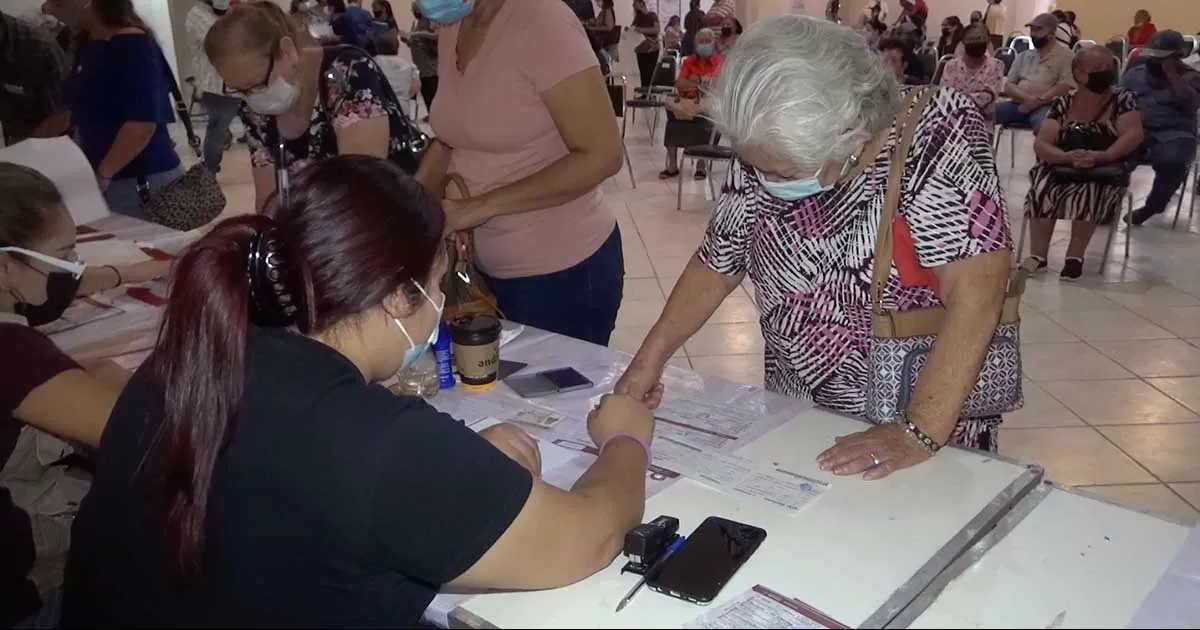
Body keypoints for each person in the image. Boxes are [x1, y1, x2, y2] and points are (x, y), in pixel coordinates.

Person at [59, 155, 656, 627]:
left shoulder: (185, 363)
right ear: (399, 296)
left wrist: (464, 481)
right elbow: (593, 535)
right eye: (437, 282)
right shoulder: (378, 445)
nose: (441, 300)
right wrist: (625, 434)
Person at [617, 15, 1014, 478]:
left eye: (784, 174)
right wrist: (649, 360)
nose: (768, 182)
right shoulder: (768, 132)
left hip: (919, 422)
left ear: (851, 131)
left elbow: (978, 294)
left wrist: (918, 430)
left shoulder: (937, 131)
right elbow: (718, 261)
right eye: (757, 167)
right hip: (798, 404)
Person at [0, 163, 166, 627]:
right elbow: (144, 432)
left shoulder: (13, 306)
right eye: (63, 254)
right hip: (24, 590)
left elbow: (62, 285)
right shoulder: (13, 353)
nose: (73, 267)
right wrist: (119, 384)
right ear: (5, 265)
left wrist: (142, 269)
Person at [418, 0, 625, 347]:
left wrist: (477, 208)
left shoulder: (543, 21)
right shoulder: (453, 26)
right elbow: (451, 138)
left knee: (550, 400)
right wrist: (410, 207)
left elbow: (603, 155)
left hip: (561, 274)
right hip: (483, 273)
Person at [205, 2, 419, 211]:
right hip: (319, 229)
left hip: (383, 220)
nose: (252, 97)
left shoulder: (347, 72)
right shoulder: (254, 110)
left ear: (287, 51)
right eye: (239, 90)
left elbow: (360, 188)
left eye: (256, 84)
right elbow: (267, 199)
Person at [50, 0, 183, 220]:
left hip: (142, 181)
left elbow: (141, 124)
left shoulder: (134, 45)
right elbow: (73, 111)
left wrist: (104, 174)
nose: (49, 9)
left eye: (58, 2)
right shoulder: (87, 46)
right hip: (105, 180)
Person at [1024, 46, 1143, 280]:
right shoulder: (1063, 103)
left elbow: (1133, 135)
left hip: (1103, 168)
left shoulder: (1123, 100)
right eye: (1097, 69)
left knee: (1088, 191)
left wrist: (1103, 156)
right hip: (1064, 162)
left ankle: (1074, 257)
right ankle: (1038, 256)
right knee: (1042, 185)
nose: (1105, 73)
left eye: (1108, 68)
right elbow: (1043, 142)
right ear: (1079, 73)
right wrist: (1067, 158)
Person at [1122, 31, 1200, 226]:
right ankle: (1106, 203)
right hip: (1135, 129)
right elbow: (1117, 99)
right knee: (1108, 154)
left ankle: (1152, 207)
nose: (1153, 61)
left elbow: (1190, 104)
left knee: (1173, 161)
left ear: (1177, 57)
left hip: (1173, 133)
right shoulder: (1135, 74)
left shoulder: (1192, 78)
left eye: (1161, 58)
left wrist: (1171, 73)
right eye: (1151, 55)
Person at [995, 13, 1075, 131]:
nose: (1033, 34)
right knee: (984, 115)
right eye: (1031, 30)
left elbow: (1064, 86)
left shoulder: (1067, 56)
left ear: (1051, 34)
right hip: (1019, 104)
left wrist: (1037, 102)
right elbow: (1009, 85)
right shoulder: (1024, 56)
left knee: (1045, 127)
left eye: (1038, 30)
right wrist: (1028, 99)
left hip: (1047, 107)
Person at [186, 0, 240, 175]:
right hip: (215, 84)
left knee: (220, 127)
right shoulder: (197, 14)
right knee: (217, 129)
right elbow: (220, 40)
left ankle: (211, 166)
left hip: (235, 81)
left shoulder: (225, 12)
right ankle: (209, 171)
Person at [0, 11, 70, 146]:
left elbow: (62, 116)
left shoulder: (41, 50)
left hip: (49, 137)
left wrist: (24, 150)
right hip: (13, 129)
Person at [660, 28, 721, 180]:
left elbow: (718, 83)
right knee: (672, 120)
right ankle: (672, 165)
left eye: (708, 41)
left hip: (708, 105)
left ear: (714, 42)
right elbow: (679, 84)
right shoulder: (689, 62)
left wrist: (696, 80)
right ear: (695, 44)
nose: (705, 45)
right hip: (688, 102)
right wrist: (701, 82)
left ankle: (701, 165)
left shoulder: (720, 61)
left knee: (704, 119)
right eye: (701, 41)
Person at [940, 25, 1005, 119]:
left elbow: (987, 96)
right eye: (972, 39)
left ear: (987, 42)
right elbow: (946, 94)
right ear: (963, 42)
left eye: (980, 39)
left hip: (982, 122)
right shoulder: (951, 66)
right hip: (952, 120)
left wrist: (959, 100)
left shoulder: (996, 66)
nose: (976, 42)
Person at [374, 32, 421, 121]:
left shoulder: (372, 62)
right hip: (403, 111)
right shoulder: (410, 66)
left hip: (379, 113)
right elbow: (414, 91)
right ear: (397, 47)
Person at [404, 4, 439, 116]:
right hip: (420, 65)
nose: (415, 12)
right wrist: (407, 40)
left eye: (417, 9)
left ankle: (436, 116)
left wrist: (418, 34)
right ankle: (431, 114)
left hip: (430, 65)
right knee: (426, 93)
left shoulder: (431, 21)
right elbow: (413, 41)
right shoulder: (415, 23)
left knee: (433, 91)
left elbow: (436, 35)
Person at [632, 0, 660, 91]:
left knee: (650, 73)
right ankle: (644, 93)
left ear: (641, 4)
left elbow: (656, 30)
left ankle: (651, 93)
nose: (634, 6)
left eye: (635, 4)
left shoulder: (652, 15)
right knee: (643, 73)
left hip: (652, 48)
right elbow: (634, 29)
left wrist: (641, 30)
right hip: (641, 48)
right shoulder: (637, 18)